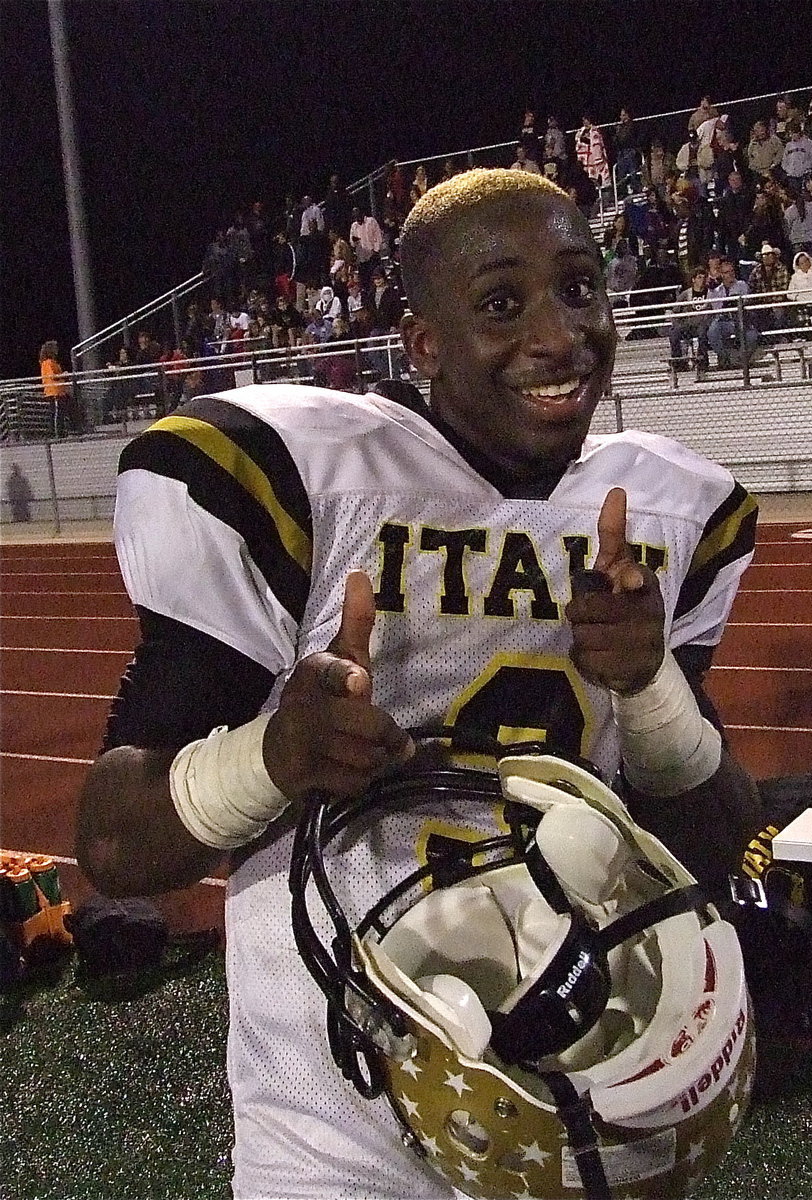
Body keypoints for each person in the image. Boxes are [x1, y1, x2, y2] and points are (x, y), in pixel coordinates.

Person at [75, 168, 760, 1200]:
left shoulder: (664, 512)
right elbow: (115, 845)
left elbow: (715, 844)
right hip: (335, 1114)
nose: (558, 333)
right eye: (501, 303)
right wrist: (273, 755)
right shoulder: (298, 477)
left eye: (580, 287)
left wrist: (650, 683)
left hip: (585, 1078)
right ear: (423, 343)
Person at [707, 256, 759, 368]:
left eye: (732, 271)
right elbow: (717, 309)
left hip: (741, 319)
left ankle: (741, 361)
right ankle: (728, 358)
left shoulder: (742, 285)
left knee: (752, 336)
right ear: (721, 274)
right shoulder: (715, 290)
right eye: (726, 272)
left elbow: (745, 301)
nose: (730, 274)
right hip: (724, 321)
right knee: (713, 330)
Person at [667, 263, 711, 366]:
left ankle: (701, 360)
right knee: (674, 332)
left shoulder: (710, 293)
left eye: (704, 278)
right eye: (699, 277)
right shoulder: (686, 294)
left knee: (702, 330)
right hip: (688, 325)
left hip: (703, 325)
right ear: (693, 279)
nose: (702, 280)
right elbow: (675, 310)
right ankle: (678, 361)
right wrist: (678, 323)